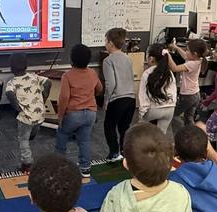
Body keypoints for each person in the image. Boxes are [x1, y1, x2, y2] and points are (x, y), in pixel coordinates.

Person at [56, 44, 103, 178]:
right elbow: (100, 89)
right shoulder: (92, 73)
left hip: (73, 114)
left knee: (62, 135)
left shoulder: (67, 76)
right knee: (84, 141)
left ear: (72, 59)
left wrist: (60, 117)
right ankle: (85, 168)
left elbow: (64, 98)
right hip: (90, 113)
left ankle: (59, 166)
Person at [3, 52, 50, 173]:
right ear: (26, 66)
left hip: (26, 117)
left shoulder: (12, 82)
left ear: (11, 68)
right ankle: (32, 133)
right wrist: (44, 97)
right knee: (33, 128)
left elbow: (9, 93)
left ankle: (27, 163)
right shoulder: (35, 77)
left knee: (23, 139)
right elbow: (48, 82)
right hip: (40, 115)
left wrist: (17, 108)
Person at [102, 27, 136, 163]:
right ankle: (125, 152)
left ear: (110, 43)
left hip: (117, 99)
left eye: (105, 41)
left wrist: (106, 100)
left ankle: (114, 153)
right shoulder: (127, 58)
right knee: (124, 128)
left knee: (109, 126)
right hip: (131, 99)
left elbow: (110, 83)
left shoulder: (108, 60)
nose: (105, 43)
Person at [167, 39, 208, 132]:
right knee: (189, 119)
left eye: (188, 50)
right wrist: (176, 47)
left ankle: (179, 135)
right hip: (195, 95)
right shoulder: (197, 60)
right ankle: (191, 136)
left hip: (187, 96)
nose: (186, 52)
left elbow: (174, 68)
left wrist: (167, 55)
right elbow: (185, 55)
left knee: (173, 115)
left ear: (195, 54)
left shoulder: (192, 64)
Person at [138, 44, 178, 134]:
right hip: (170, 108)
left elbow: (143, 96)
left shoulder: (147, 73)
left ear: (151, 58)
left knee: (143, 133)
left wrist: (141, 115)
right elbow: (174, 92)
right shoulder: (170, 73)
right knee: (161, 135)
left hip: (153, 109)